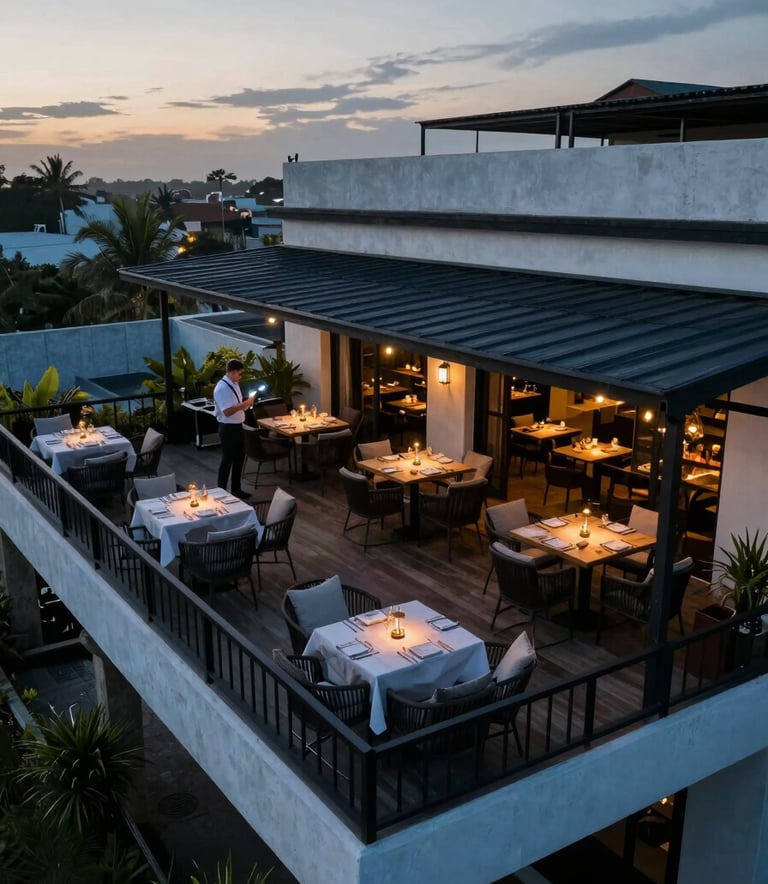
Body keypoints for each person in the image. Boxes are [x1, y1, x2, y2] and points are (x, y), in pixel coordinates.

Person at [213, 359, 255, 499]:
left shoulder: (234, 384)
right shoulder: (223, 388)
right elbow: (227, 411)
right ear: (232, 372)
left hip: (237, 426)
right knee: (227, 460)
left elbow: (236, 406)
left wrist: (246, 404)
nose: (240, 376)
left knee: (239, 459)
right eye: (239, 373)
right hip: (228, 428)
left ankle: (236, 489)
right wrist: (245, 404)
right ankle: (221, 491)